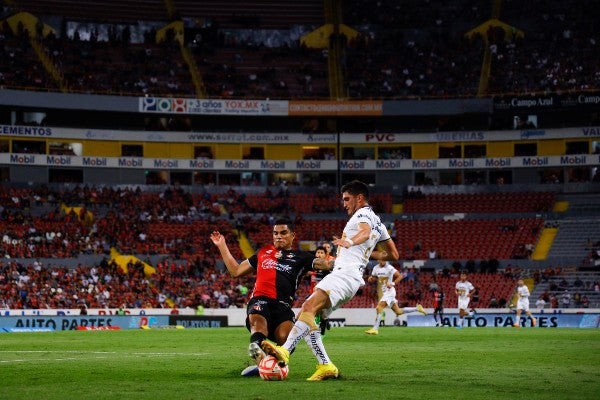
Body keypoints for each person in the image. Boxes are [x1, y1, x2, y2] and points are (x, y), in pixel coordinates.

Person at [262, 180, 400, 381]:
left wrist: (350, 242)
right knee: (308, 315)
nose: (344, 204)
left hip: (344, 275)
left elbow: (365, 232)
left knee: (308, 307)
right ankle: (325, 365)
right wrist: (365, 255)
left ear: (359, 198)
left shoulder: (362, 215)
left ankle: (284, 351)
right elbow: (393, 254)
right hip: (351, 277)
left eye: (346, 199)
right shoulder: (378, 221)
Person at [210, 218, 332, 377]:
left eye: (283, 233)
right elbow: (236, 271)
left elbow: (323, 264)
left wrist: (335, 262)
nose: (278, 236)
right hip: (260, 300)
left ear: (292, 235)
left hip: (283, 306)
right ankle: (260, 353)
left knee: (287, 339)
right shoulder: (262, 252)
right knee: (259, 325)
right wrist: (222, 246)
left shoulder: (301, 257)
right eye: (275, 233)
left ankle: (266, 364)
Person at [364, 259, 427, 335]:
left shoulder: (389, 267)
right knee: (398, 311)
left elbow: (400, 276)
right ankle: (417, 308)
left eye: (385, 260)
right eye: (382, 260)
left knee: (379, 307)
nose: (384, 261)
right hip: (385, 292)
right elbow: (374, 277)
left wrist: (392, 283)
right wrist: (371, 279)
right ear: (378, 260)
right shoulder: (375, 268)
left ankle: (375, 329)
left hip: (390, 292)